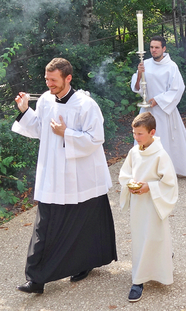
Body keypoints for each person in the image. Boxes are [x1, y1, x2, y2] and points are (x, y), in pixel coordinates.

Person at [12, 58, 117, 294]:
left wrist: (66, 133)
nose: (49, 84)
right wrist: (25, 111)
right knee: (45, 225)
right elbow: (40, 129)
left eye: (53, 80)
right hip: (53, 173)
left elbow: (95, 139)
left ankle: (86, 262)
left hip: (81, 175)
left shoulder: (86, 105)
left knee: (85, 222)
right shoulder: (47, 101)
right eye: (47, 79)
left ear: (68, 78)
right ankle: (36, 279)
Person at [118, 112, 178, 302]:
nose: (136, 138)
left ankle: (160, 269)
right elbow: (125, 173)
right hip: (138, 204)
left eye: (140, 134)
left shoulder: (161, 155)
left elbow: (169, 183)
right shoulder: (134, 152)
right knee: (139, 239)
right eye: (134, 133)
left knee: (156, 237)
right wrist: (130, 183)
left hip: (154, 203)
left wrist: (149, 187)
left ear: (152, 132)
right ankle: (138, 280)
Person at [131, 36, 186, 176]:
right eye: (151, 47)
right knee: (145, 139)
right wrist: (139, 74)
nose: (153, 50)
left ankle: (165, 171)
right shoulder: (145, 64)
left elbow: (177, 88)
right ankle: (146, 170)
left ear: (164, 48)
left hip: (163, 110)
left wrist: (158, 99)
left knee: (164, 141)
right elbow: (137, 87)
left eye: (156, 47)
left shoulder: (171, 66)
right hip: (147, 110)